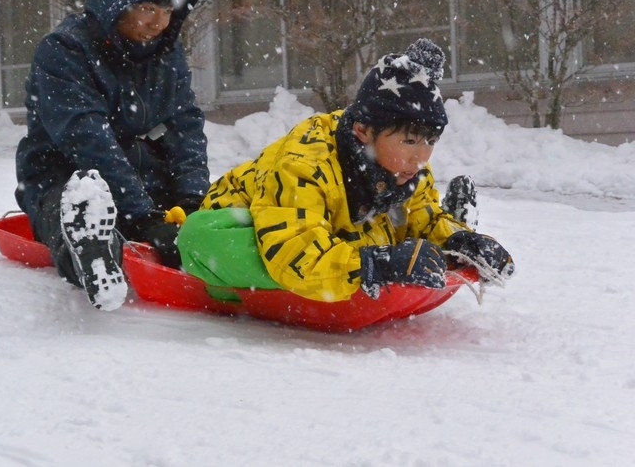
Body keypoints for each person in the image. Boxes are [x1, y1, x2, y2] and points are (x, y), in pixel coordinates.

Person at [177, 38, 514, 302]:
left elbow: (420, 216)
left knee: (387, 230)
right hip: (253, 226)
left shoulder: (405, 168)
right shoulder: (305, 163)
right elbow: (294, 250)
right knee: (201, 235)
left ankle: (355, 262)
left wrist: (459, 241)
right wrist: (375, 265)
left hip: (331, 232)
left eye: (430, 142)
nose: (421, 158)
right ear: (363, 132)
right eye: (411, 142)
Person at [15, 0, 209, 311]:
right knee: (73, 204)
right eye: (147, 8)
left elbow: (185, 126)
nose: (158, 22)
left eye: (167, 10)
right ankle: (92, 252)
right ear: (115, 5)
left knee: (207, 218)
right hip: (67, 174)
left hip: (145, 175)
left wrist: (192, 198)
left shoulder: (167, 54)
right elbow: (88, 140)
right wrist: (144, 215)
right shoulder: (65, 51)